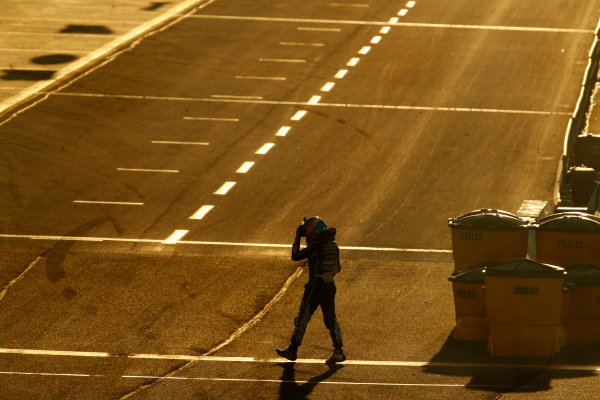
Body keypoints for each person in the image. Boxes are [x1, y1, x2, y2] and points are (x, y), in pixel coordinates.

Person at [276, 216, 346, 365]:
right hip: (329, 287)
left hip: (314, 288)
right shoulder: (334, 246)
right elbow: (337, 269)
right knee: (331, 319)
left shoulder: (315, 247)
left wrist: (297, 237)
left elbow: (295, 255)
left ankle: (292, 350)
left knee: (303, 319)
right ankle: (338, 351)